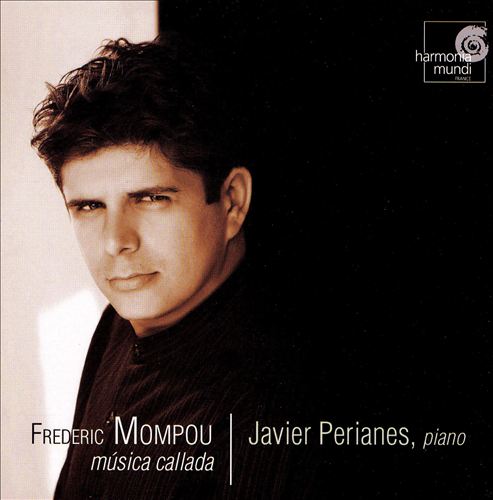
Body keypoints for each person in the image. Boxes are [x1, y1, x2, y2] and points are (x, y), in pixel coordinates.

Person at [32, 34, 313, 499]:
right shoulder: (119, 323)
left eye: (150, 199)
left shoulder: (276, 413)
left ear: (232, 201)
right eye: (89, 207)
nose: (116, 242)